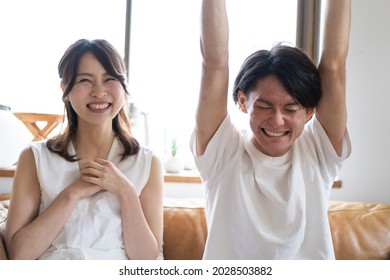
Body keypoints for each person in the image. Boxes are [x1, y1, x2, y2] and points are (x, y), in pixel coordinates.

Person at [191, 0, 351, 259]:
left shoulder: (318, 152)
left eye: (290, 109)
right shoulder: (222, 153)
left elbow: (333, 65)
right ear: (243, 102)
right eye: (265, 106)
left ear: (309, 111)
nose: (277, 121)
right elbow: (214, 63)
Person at [5, 39, 164, 260]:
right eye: (85, 81)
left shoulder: (147, 162)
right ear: (65, 89)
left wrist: (125, 192)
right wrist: (73, 193)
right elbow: (19, 254)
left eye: (110, 79)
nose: (99, 92)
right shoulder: (34, 157)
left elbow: (145, 259)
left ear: (124, 87)